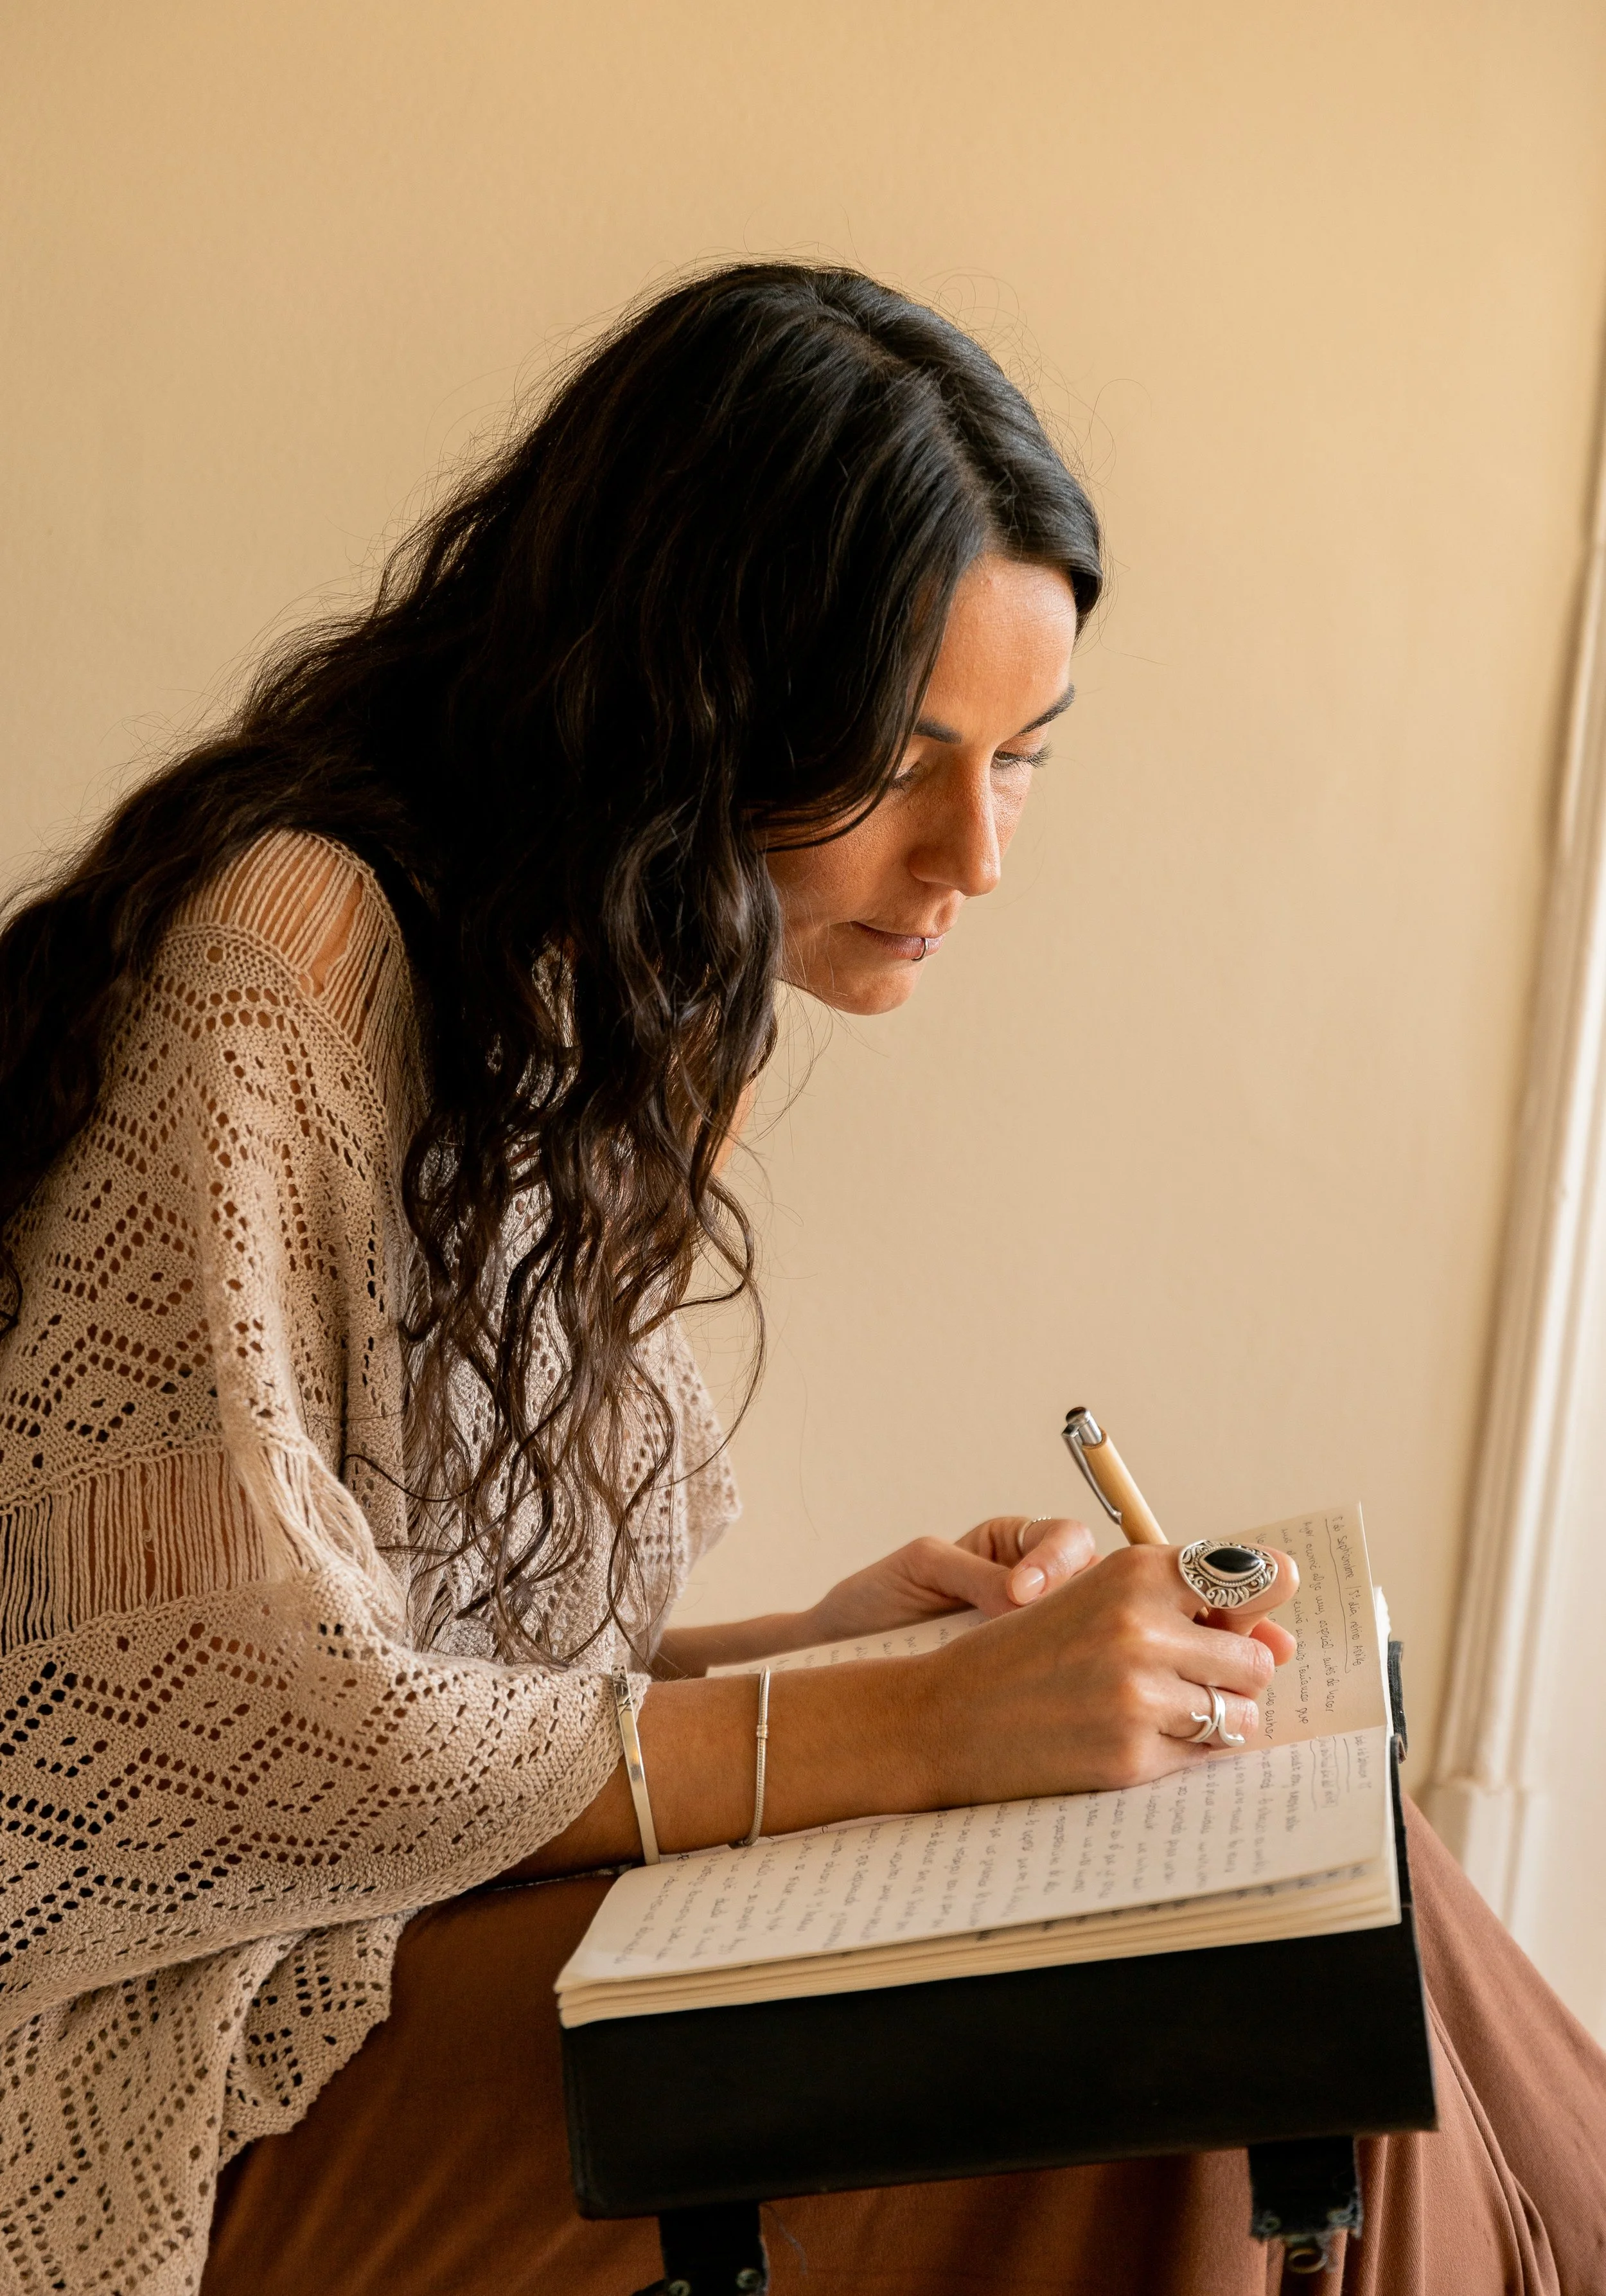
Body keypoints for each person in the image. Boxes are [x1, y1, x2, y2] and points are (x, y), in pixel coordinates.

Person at [0, 264, 1599, 2296]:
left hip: (384, 1944)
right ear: (682, 695)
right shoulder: (298, 947)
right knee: (1179, 2069)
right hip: (172, 2065)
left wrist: (809, 1653)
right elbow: (200, 1725)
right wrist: (915, 1729)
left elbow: (431, 1667)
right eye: (901, 755)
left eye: (1025, 756)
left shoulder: (614, 1007)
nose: (977, 853)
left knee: (1346, 1863)